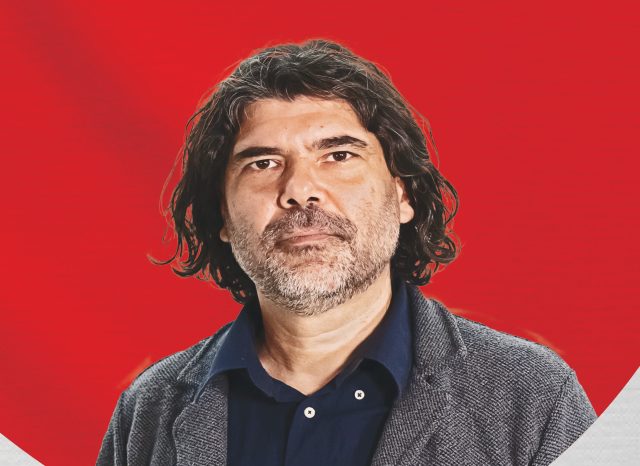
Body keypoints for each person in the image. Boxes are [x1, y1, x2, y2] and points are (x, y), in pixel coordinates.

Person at [97, 40, 596, 466]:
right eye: (264, 163)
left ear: (403, 194)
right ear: (222, 216)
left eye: (338, 155)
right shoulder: (149, 410)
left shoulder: (532, 398)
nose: (300, 190)